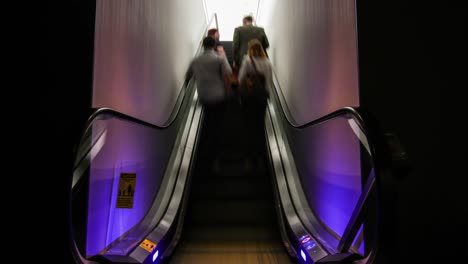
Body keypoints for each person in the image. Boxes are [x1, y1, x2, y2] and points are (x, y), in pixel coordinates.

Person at [185, 36, 233, 168]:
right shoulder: (219, 59)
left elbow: (188, 76)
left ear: (202, 45)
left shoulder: (196, 60)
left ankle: (204, 155)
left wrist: (185, 91)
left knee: (207, 123)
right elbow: (227, 76)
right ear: (213, 46)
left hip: (203, 96)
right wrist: (229, 93)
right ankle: (215, 157)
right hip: (218, 96)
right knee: (217, 125)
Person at [237, 39, 272, 169]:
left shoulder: (247, 61)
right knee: (259, 126)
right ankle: (261, 159)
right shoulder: (268, 62)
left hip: (249, 98)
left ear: (250, 49)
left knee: (248, 127)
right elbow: (269, 81)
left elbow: (241, 79)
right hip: (262, 97)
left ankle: (248, 159)